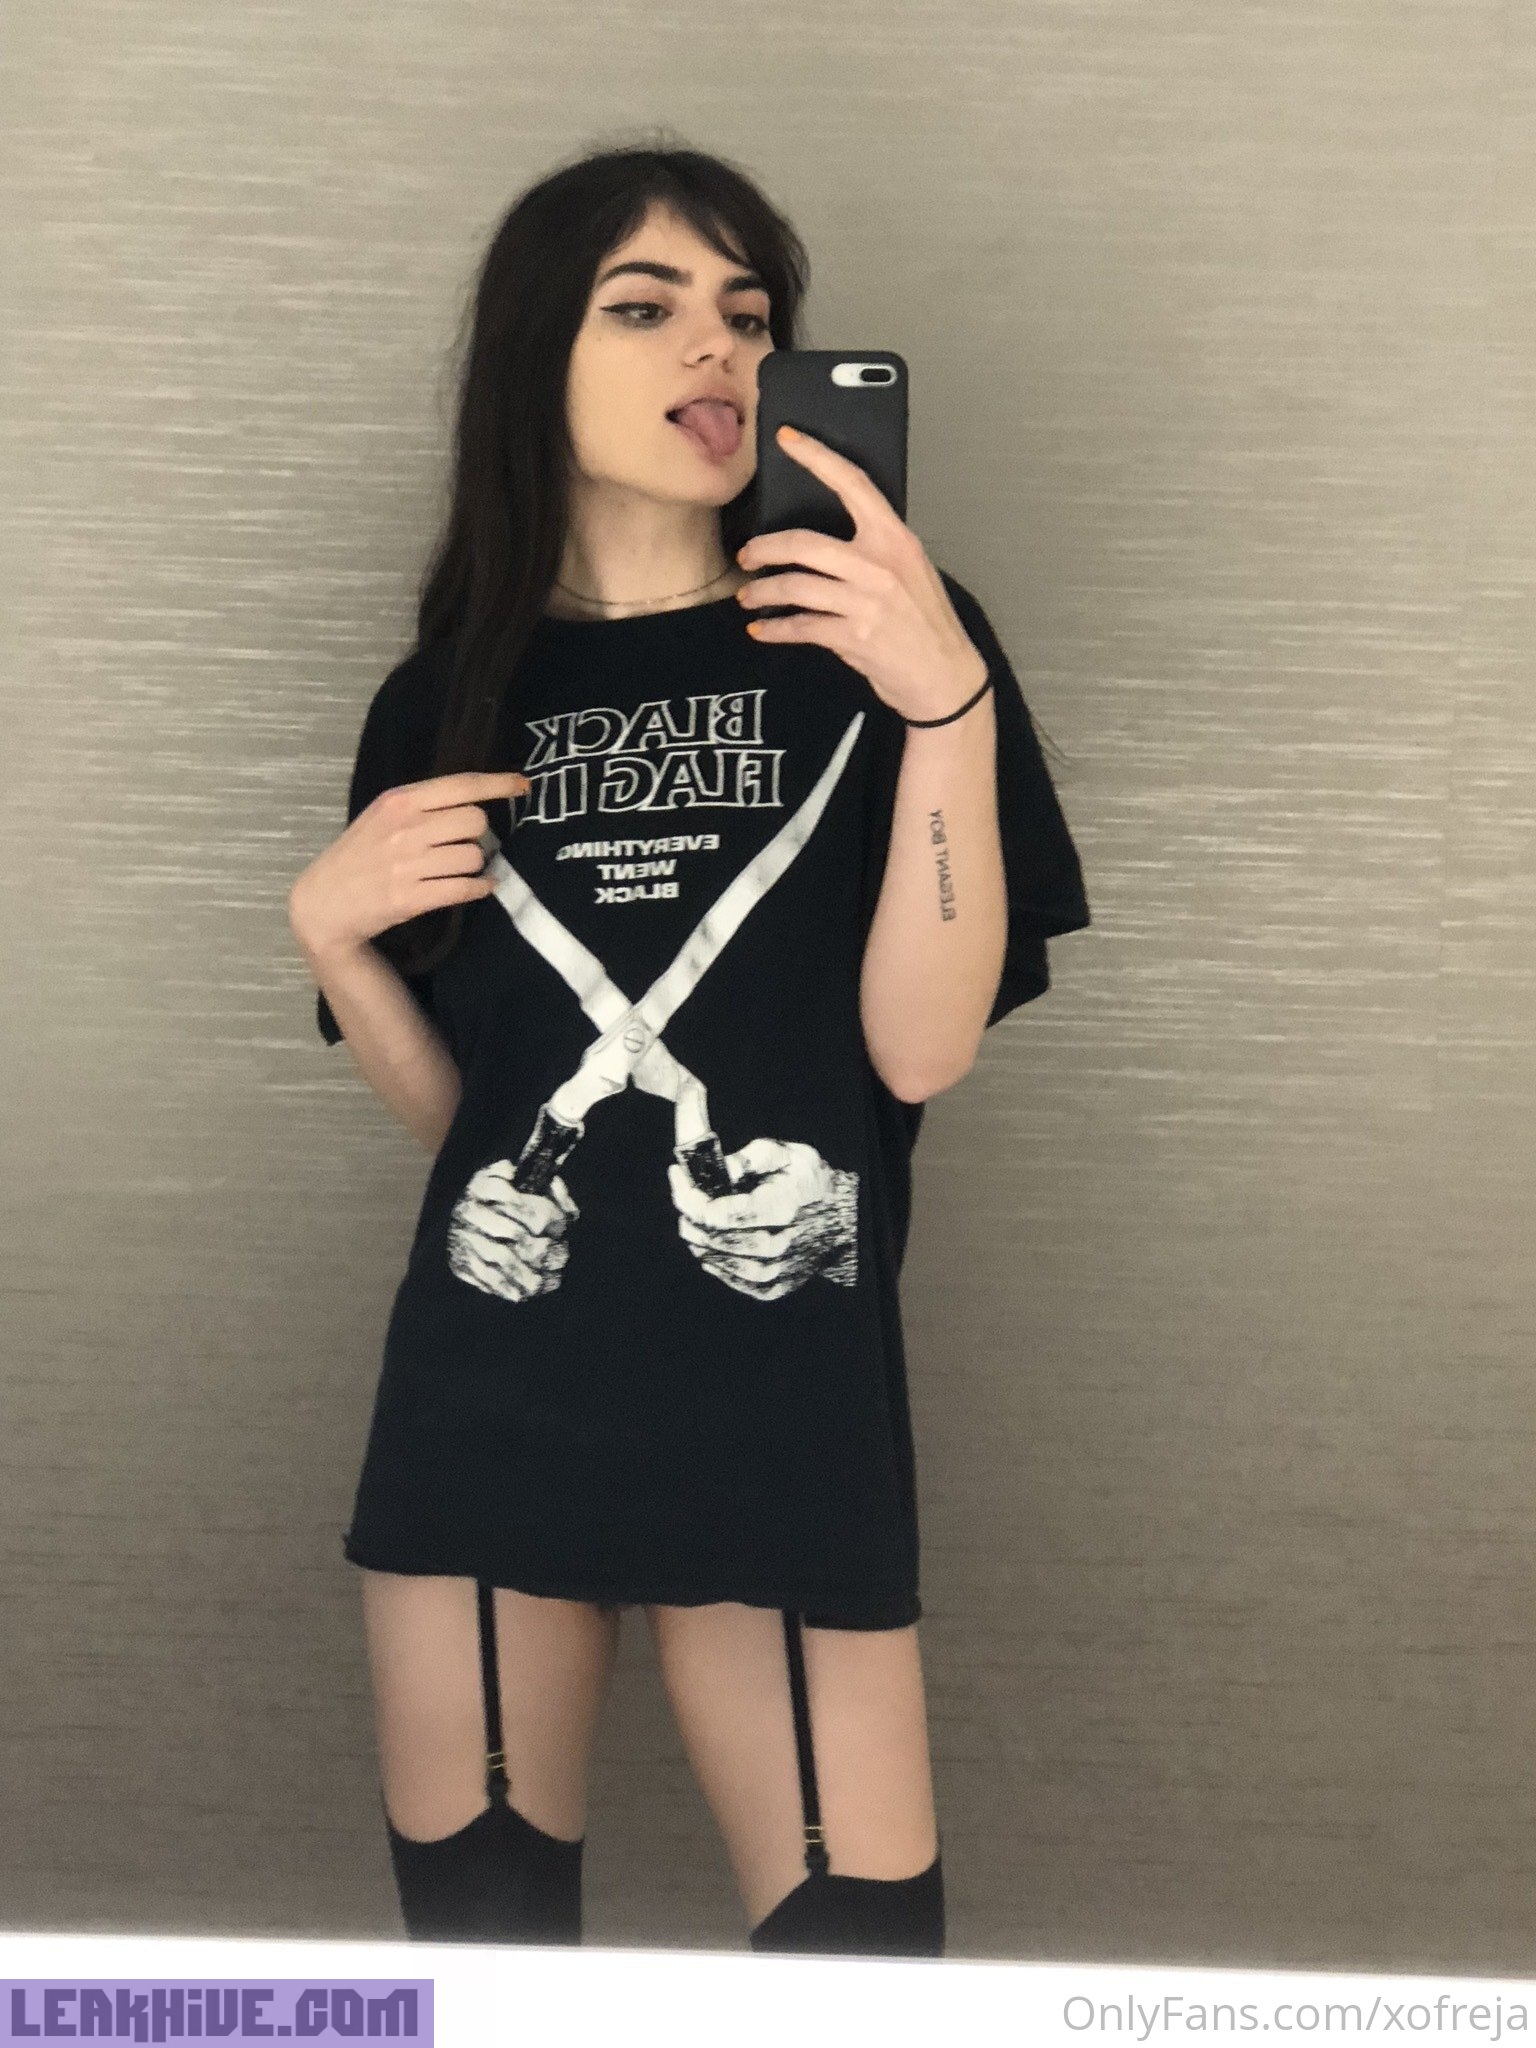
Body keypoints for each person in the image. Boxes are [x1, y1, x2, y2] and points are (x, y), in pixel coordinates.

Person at [287, 136, 1090, 1958]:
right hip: (484, 1403)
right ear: (536, 359)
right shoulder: (444, 697)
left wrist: (946, 706)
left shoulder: (885, 649)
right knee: (484, 1971)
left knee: (855, 1971)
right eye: (643, 308)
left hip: (780, 1401)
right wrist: (330, 936)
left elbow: (920, 1052)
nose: (718, 348)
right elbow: (467, 1120)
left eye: (748, 311)